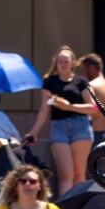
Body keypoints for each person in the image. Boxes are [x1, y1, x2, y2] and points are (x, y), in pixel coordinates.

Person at [25, 46, 93, 195]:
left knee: (79, 173)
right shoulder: (49, 82)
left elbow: (93, 108)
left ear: (72, 63)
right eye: (60, 61)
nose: (63, 64)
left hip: (80, 125)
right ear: (56, 63)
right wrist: (33, 132)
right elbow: (44, 109)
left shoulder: (81, 81)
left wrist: (69, 106)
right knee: (65, 174)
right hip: (59, 126)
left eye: (66, 61)